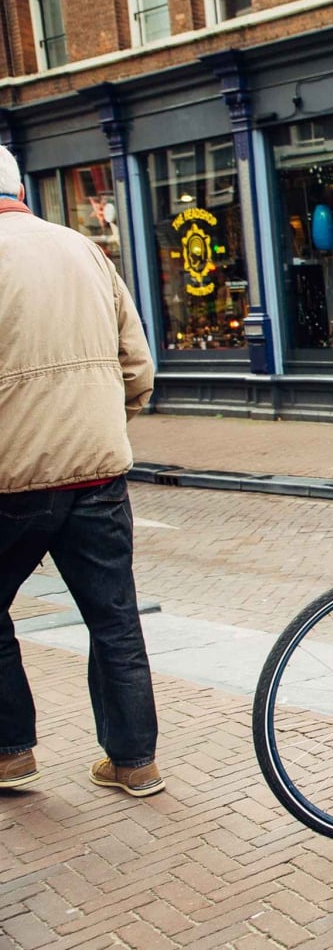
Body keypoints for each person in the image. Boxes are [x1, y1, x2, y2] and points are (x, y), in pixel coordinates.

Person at [0, 144, 164, 797]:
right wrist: (103, 423)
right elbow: (138, 366)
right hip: (97, 475)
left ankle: (11, 751)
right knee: (114, 615)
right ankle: (134, 761)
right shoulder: (84, 249)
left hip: (12, 480)